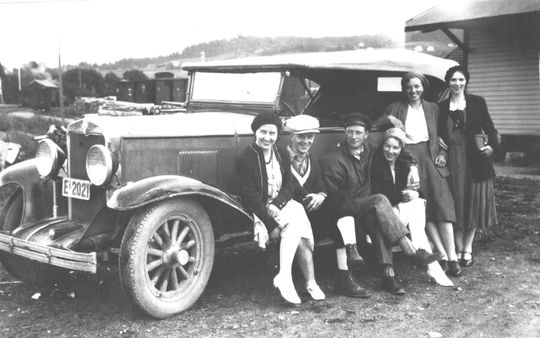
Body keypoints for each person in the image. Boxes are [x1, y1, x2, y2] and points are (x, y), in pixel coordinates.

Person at [320, 112, 441, 296]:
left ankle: (388, 276)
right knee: (379, 199)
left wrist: (413, 166)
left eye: (358, 133)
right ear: (344, 132)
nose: (354, 137)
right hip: (345, 208)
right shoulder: (333, 159)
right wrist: (361, 205)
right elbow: (336, 198)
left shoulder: (370, 151)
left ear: (366, 134)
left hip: (369, 208)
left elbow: (399, 150)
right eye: (350, 132)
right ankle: (409, 247)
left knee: (378, 214)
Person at [235, 112, 325, 305]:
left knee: (298, 214)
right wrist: (270, 224)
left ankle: (299, 279)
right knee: (296, 225)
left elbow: (289, 186)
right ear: (255, 132)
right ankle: (300, 279)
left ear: (278, 135)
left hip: (279, 203)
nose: (267, 137)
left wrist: (278, 204)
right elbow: (249, 196)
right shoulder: (245, 158)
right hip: (259, 207)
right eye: (263, 132)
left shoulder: (282, 153)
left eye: (272, 133)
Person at [379, 72, 461, 277]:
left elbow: (444, 135)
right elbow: (378, 121)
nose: (413, 91)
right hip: (407, 158)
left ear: (423, 87)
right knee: (423, 205)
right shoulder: (395, 107)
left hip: (431, 157)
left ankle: (453, 257)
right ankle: (440, 254)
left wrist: (442, 153)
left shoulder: (433, 108)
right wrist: (389, 117)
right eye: (408, 87)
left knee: (442, 203)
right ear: (403, 88)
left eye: (417, 86)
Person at [371, 128, 454, 287]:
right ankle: (428, 261)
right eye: (387, 146)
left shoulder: (404, 165)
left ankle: (427, 259)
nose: (390, 151)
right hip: (385, 216)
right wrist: (405, 196)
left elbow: (415, 193)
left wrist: (415, 194)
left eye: (396, 148)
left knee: (416, 203)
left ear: (401, 149)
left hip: (402, 212)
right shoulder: (376, 165)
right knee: (414, 205)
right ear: (382, 145)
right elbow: (380, 197)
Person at [284, 115, 364, 271]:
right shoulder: (281, 159)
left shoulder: (311, 159)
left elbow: (321, 185)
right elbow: (286, 187)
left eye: (310, 136)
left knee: (340, 202)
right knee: (339, 217)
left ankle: (350, 254)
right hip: (293, 218)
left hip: (313, 216)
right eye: (301, 136)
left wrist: (320, 195)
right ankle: (346, 268)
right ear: (291, 136)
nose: (306, 141)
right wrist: (309, 195)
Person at [439, 65, 498, 267]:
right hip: (453, 162)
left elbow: (490, 129)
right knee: (456, 204)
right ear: (448, 82)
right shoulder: (442, 107)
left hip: (475, 162)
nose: (457, 84)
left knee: (472, 205)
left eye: (461, 80)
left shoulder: (477, 103)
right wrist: (439, 143)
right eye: (453, 80)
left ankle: (467, 248)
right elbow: (438, 133)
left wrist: (491, 147)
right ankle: (456, 247)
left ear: (466, 82)